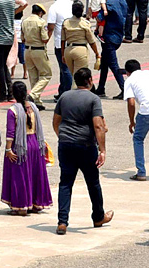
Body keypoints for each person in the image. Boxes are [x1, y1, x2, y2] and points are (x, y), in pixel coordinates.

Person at [53, 66, 113, 234]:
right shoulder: (93, 99)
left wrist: (63, 137)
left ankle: (62, 221)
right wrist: (102, 150)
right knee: (93, 183)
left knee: (65, 183)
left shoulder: (64, 96)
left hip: (65, 144)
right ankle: (98, 217)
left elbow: (56, 121)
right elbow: (98, 125)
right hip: (85, 145)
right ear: (90, 81)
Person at [2, 81, 53, 215]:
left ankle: (21, 205)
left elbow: (10, 133)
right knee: (35, 173)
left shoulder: (13, 110)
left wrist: (8, 150)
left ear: (13, 93)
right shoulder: (34, 108)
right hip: (35, 144)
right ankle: (36, 204)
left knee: (20, 175)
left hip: (21, 146)